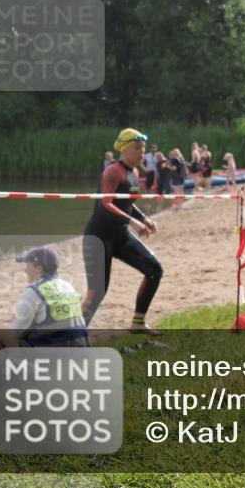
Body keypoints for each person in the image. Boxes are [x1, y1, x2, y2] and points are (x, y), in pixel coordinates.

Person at [0, 246, 88, 392]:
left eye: (27, 265)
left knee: (2, 332)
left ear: (39, 268)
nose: (25, 270)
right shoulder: (67, 286)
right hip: (79, 359)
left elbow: (16, 332)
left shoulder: (34, 291)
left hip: (54, 364)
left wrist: (17, 321)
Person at [82, 128, 163, 335]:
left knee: (154, 270)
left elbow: (128, 204)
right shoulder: (112, 171)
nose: (142, 152)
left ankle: (137, 322)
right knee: (98, 291)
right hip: (98, 237)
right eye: (137, 148)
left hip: (120, 235)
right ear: (125, 150)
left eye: (143, 148)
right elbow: (105, 204)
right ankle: (72, 336)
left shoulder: (135, 173)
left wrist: (144, 219)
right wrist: (133, 223)